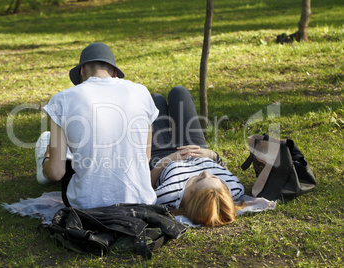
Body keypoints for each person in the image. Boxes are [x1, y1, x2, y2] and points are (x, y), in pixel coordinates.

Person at [35, 42, 159, 209]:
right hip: (140, 202)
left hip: (87, 206)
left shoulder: (61, 99)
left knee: (67, 164)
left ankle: (46, 155)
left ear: (82, 71)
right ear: (114, 72)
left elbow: (56, 173)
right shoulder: (141, 92)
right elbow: (146, 157)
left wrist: (47, 161)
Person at [149, 86, 245, 227]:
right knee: (179, 92)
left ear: (190, 195)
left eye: (199, 180)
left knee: (155, 100)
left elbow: (146, 185)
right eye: (214, 177)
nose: (206, 173)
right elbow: (223, 169)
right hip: (197, 148)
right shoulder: (234, 189)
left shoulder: (169, 196)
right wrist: (212, 155)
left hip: (163, 158)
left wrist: (169, 159)